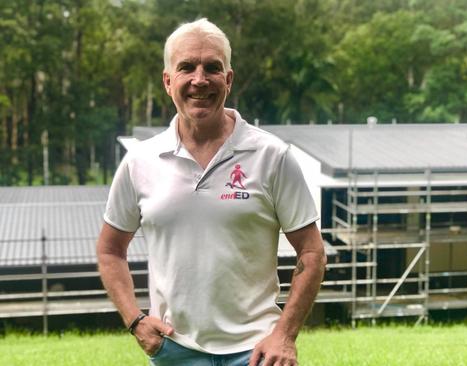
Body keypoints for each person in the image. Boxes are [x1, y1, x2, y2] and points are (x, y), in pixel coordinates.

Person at [96, 18, 326, 366]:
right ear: (167, 80)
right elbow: (111, 250)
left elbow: (312, 254)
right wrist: (135, 320)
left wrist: (284, 334)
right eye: (187, 67)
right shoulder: (139, 162)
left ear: (228, 80)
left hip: (258, 352)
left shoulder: (272, 157)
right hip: (174, 351)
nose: (199, 80)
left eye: (212, 68)